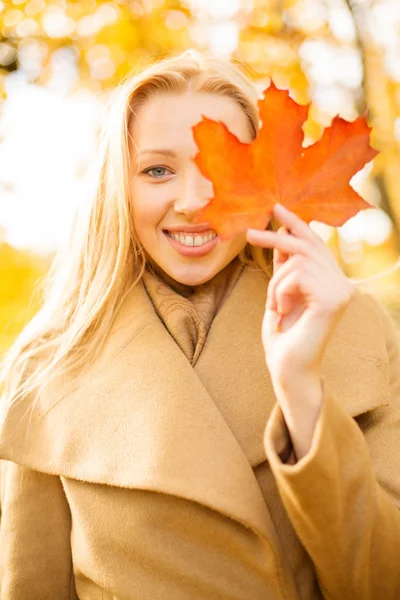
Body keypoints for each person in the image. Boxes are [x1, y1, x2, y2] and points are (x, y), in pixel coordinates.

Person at [0, 48, 399, 600]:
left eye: (221, 169)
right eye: (157, 170)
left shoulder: (361, 331)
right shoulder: (49, 362)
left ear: (264, 183)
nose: (191, 202)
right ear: (119, 187)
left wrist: (302, 391)